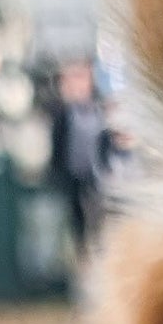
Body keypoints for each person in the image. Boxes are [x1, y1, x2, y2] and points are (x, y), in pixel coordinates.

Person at [49, 59, 110, 261]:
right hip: (72, 170)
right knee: (76, 214)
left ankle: (99, 245)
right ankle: (81, 249)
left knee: (99, 208)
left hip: (96, 171)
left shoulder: (99, 108)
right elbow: (57, 143)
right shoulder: (63, 112)